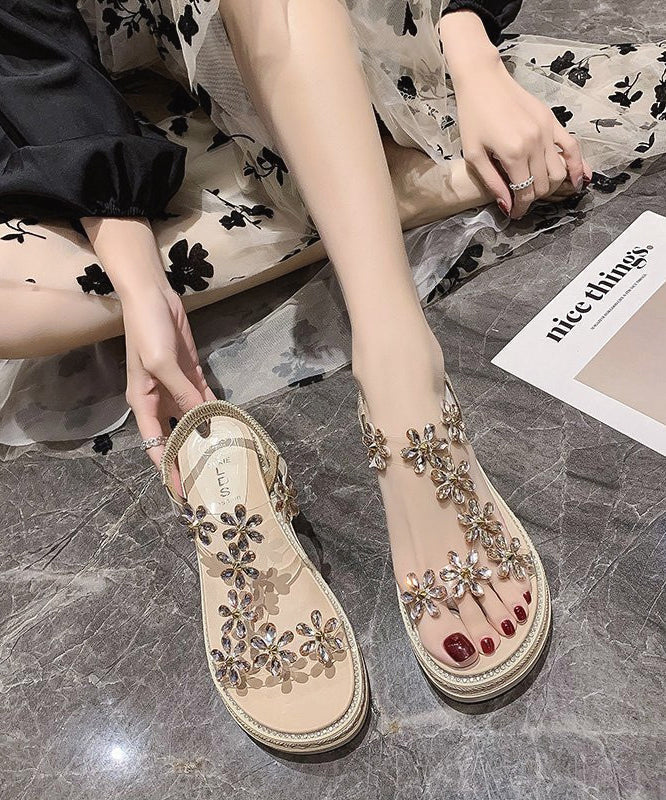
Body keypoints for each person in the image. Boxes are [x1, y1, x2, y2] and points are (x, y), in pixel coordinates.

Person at [0, 0, 664, 686]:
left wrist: (472, 53)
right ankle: (385, 187)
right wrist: (137, 275)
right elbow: (28, 37)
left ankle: (399, 370)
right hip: (125, 83)